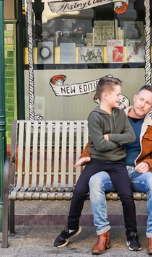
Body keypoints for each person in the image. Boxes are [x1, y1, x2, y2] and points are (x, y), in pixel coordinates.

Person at [75, 85, 152, 255]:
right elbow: (94, 141)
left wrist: (149, 164)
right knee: (95, 181)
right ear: (134, 98)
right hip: (112, 169)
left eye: (147, 103)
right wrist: (86, 156)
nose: (142, 105)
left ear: (151, 107)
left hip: (138, 173)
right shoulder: (114, 116)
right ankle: (103, 235)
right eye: (141, 99)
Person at [54, 76, 141, 252]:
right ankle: (71, 227)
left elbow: (130, 137)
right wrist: (116, 142)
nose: (120, 97)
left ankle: (131, 233)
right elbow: (99, 146)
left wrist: (110, 137)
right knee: (78, 191)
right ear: (106, 95)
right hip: (97, 162)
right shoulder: (94, 117)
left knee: (126, 196)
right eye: (117, 94)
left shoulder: (120, 114)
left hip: (118, 164)